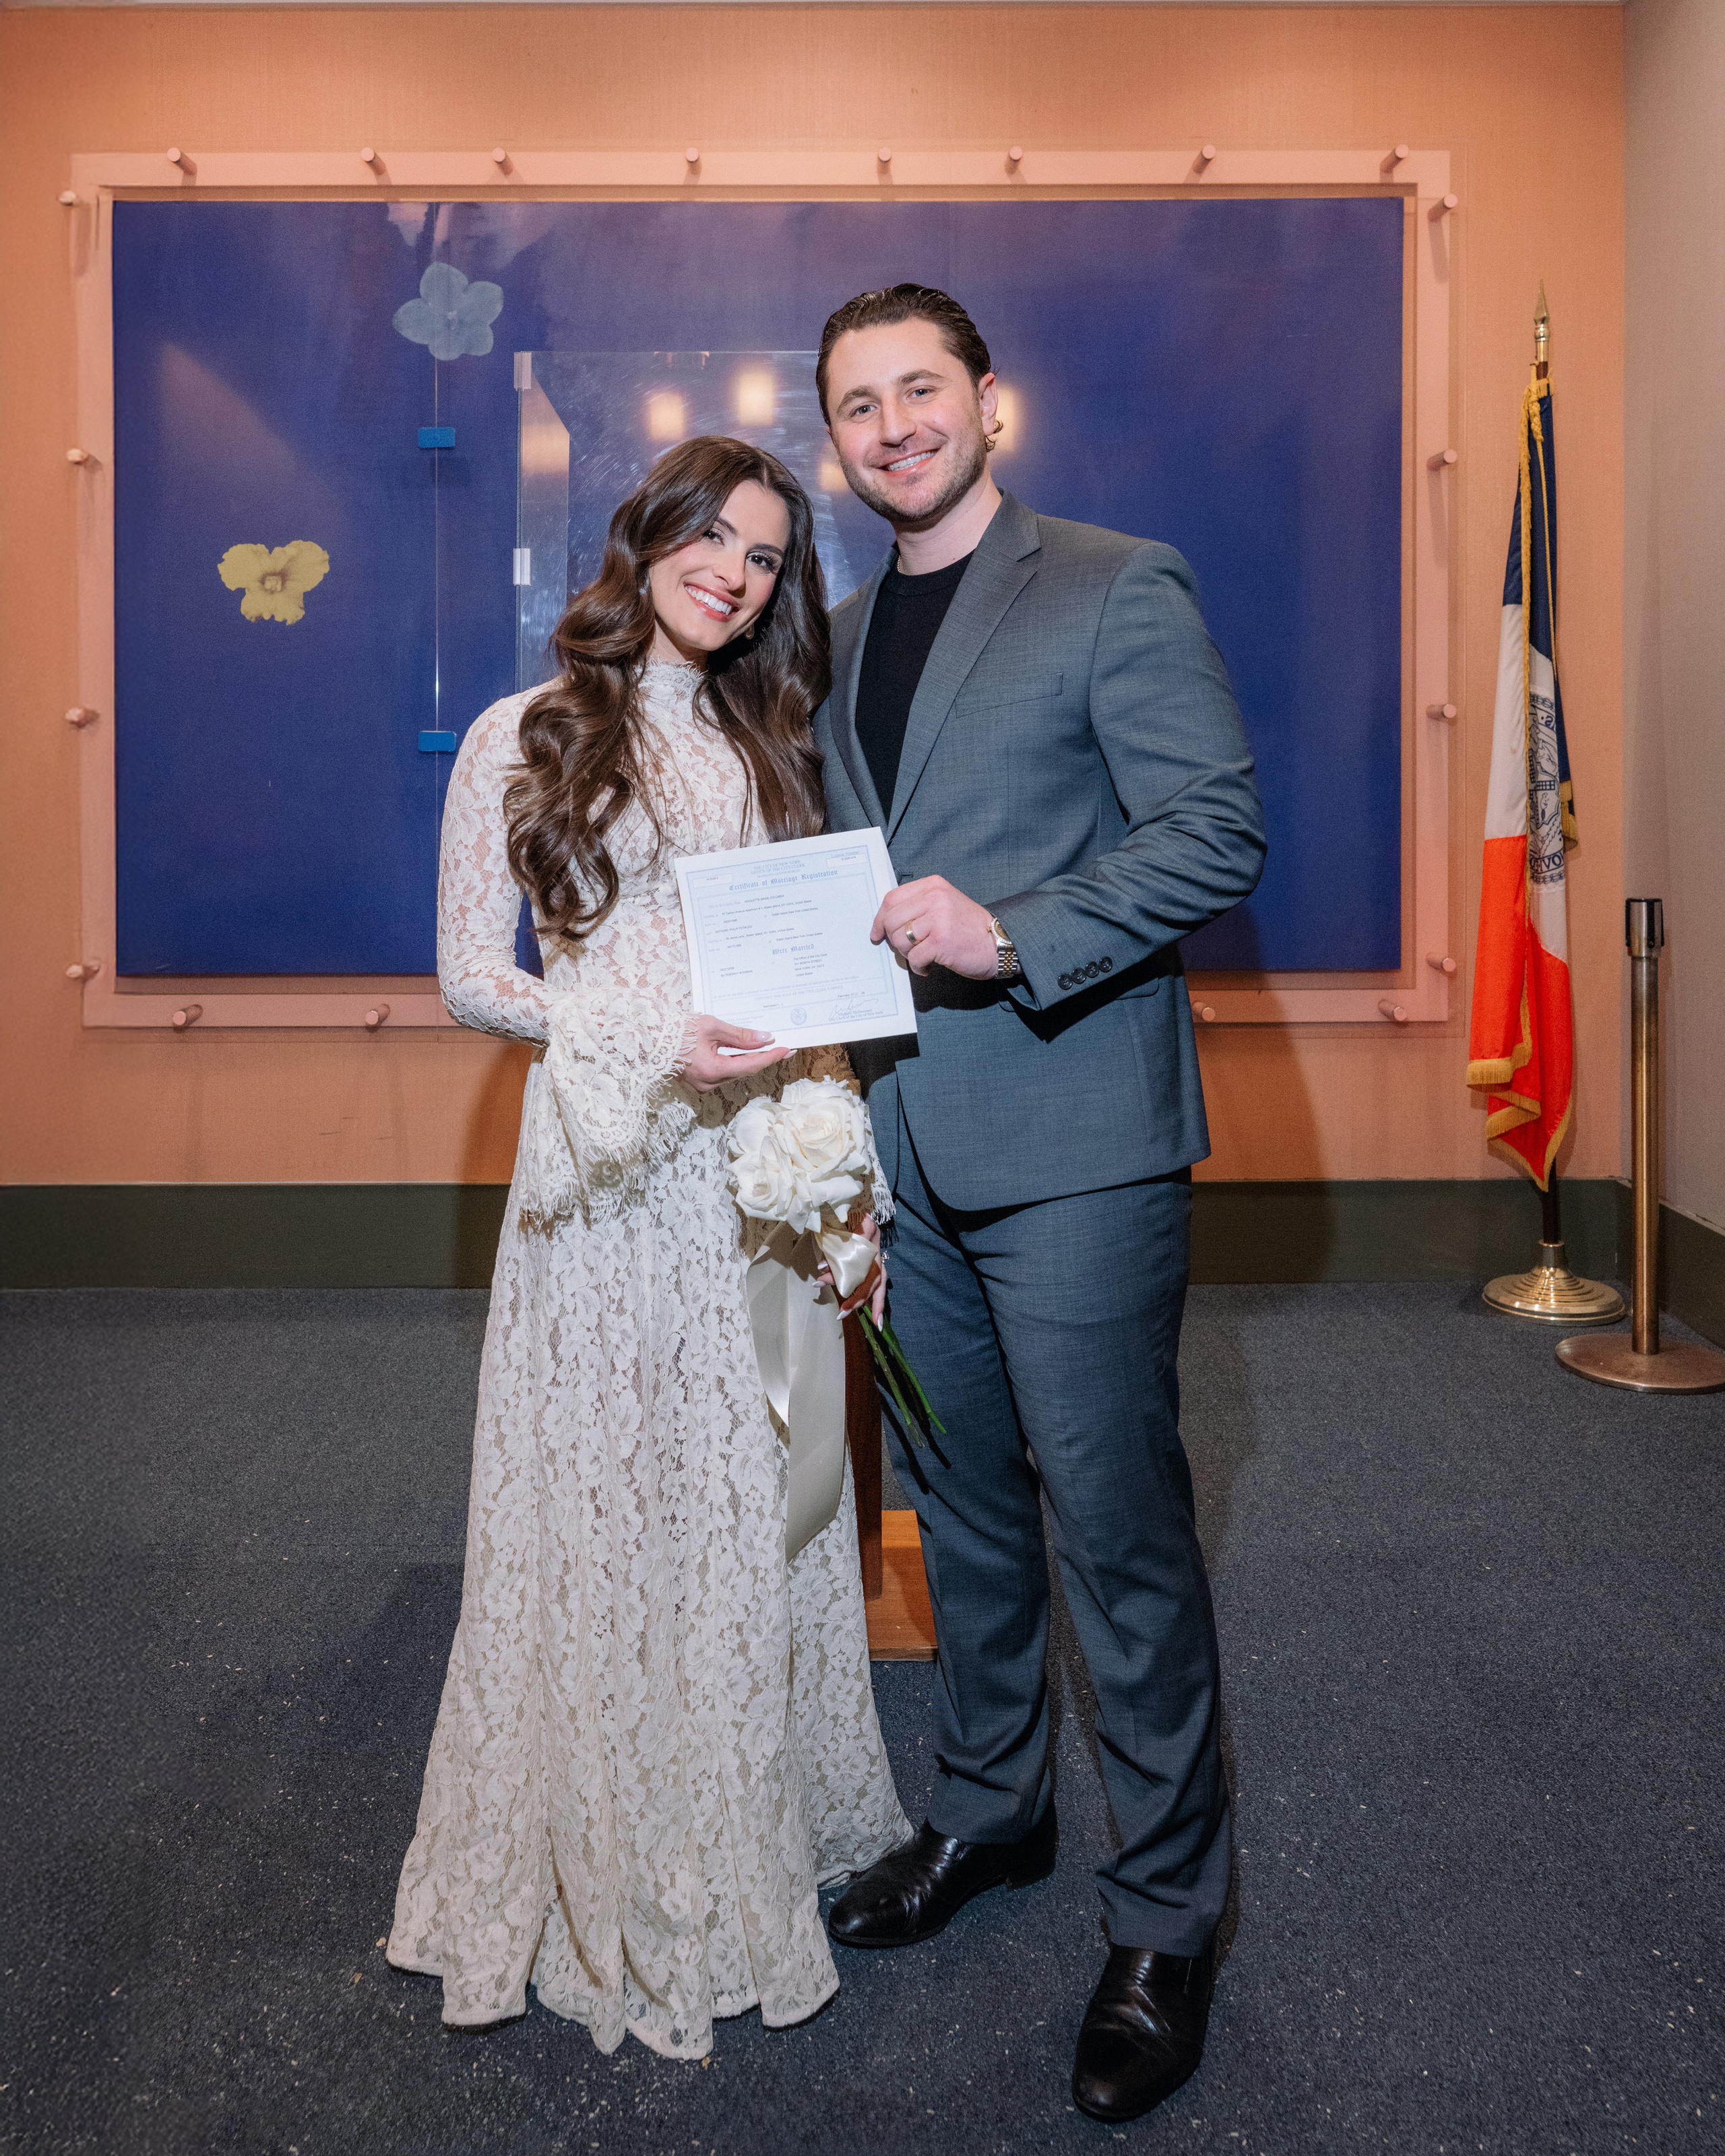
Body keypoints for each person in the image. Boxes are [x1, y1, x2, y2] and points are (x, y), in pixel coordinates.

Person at [387, 435, 908, 2060]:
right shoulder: (524, 730)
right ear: (649, 537)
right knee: (610, 1494)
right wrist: (650, 1036)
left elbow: (809, 982)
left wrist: (839, 1185)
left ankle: (743, 1838)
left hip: (746, 1168)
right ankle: (603, 1863)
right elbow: (477, 975)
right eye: (713, 539)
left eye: (763, 558)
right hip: (610, 1172)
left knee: (751, 1495)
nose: (734, 574)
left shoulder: (769, 743)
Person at [811, 286, 1266, 2124]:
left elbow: (1214, 830)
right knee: (961, 1520)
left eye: (924, 387)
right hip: (902, 1152)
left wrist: (1021, 935)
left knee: (1117, 1533)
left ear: (992, 405)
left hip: (1076, 1140)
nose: (895, 422)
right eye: (859, 403)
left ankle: (1166, 1917)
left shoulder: (1113, 579)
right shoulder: (832, 637)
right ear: (834, 439)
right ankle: (991, 1813)